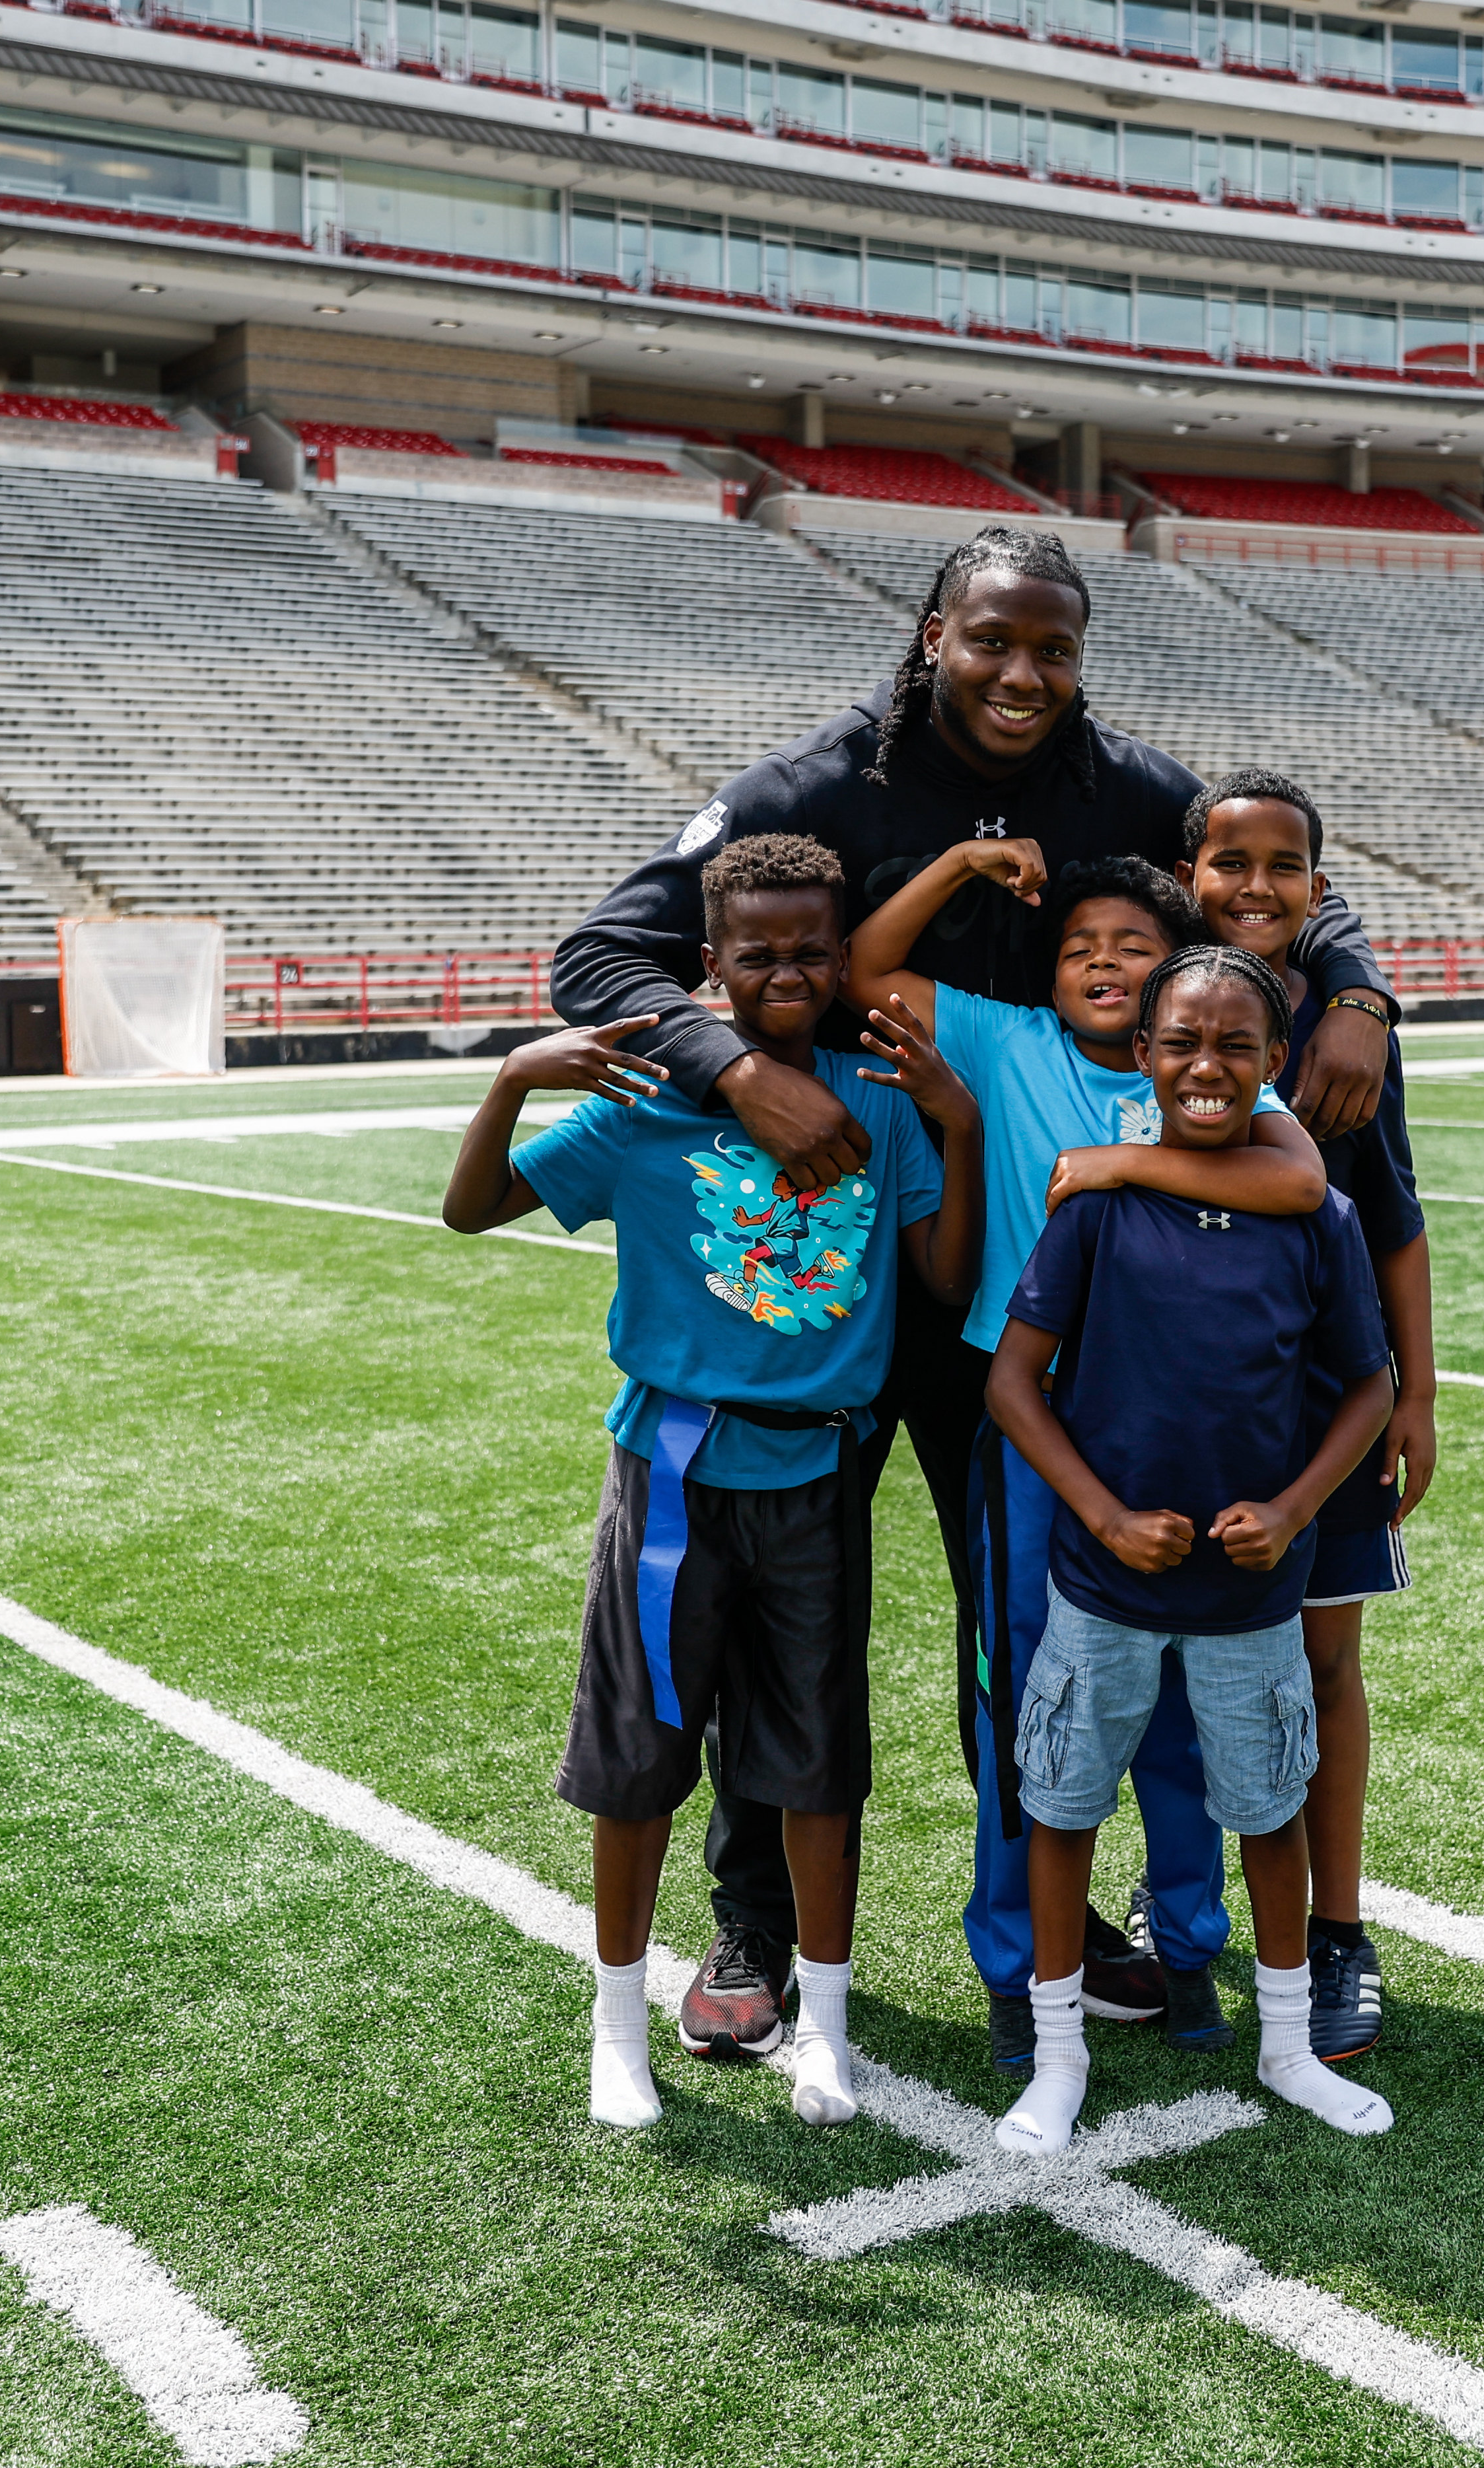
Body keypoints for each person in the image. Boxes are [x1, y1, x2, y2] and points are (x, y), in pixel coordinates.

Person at [549, 524, 1402, 2060]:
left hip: (1037, 1313)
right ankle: (751, 1917)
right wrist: (737, 1073)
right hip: (816, 1293)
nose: (1020, 675)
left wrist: (1355, 987)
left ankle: (1068, 1934)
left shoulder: (1126, 787)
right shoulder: (817, 791)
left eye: (1051, 648)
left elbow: (1265, 874)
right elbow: (605, 949)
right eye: (990, 640)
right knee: (765, 1618)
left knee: (1027, 1634)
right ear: (929, 631)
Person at [442, 835, 981, 2124]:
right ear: (710, 966)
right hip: (674, 1467)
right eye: (757, 952)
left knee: (814, 1763)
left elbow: (948, 1279)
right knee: (637, 1759)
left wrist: (958, 1127)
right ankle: (615, 2026)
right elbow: (472, 1210)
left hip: (817, 1474)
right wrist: (517, 1073)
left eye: (811, 948)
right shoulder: (645, 1099)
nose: (787, 970)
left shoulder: (884, 1094)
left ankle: (826, 2030)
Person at [850, 841, 1329, 2066]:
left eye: (1133, 946)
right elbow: (862, 966)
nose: (1105, 962)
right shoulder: (1008, 1046)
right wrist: (959, 861)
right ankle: (1018, 1967)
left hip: (1183, 1431)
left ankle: (1183, 1944)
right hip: (1037, 1426)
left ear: (1182, 981)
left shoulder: (1213, 1075)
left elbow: (1302, 1179)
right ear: (1045, 978)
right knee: (1029, 1697)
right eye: (1079, 947)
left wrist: (1118, 1161)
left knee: (1179, 1710)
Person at [980, 943, 1397, 2155]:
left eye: (1233, 1045)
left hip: (1250, 1594)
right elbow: (1013, 1383)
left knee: (1267, 1810)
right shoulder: (1100, 1206)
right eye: (1181, 1043)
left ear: (1275, 1063)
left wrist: (1293, 1512)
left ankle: (1282, 2045)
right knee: (1061, 1805)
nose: (1205, 1066)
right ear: (1144, 1060)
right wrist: (1102, 1513)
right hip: (1101, 1581)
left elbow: (1364, 1390)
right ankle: (1058, 2057)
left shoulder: (1315, 1217)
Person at [1174, 769, 1432, 2062]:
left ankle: (1337, 1925)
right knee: (1169, 1664)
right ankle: (1178, 1905)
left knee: (1323, 1663)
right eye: (1230, 863)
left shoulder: (1344, 1037)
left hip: (1328, 1404)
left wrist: (1421, 1391)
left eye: (1284, 867)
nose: (1256, 886)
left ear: (1320, 891)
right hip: (1177, 1402)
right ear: (1186, 879)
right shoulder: (1155, 1010)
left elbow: (1395, 1221)